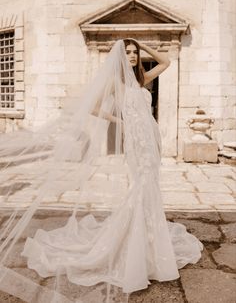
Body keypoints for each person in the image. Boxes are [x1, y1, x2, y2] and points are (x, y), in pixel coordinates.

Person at [0, 39, 203, 303]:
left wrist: (142, 45)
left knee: (150, 186)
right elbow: (95, 107)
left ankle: (149, 241)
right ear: (119, 57)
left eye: (134, 53)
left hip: (151, 138)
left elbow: (165, 62)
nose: (131, 56)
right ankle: (138, 244)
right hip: (136, 142)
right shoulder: (115, 83)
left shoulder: (141, 80)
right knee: (141, 188)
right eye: (127, 52)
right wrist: (120, 120)